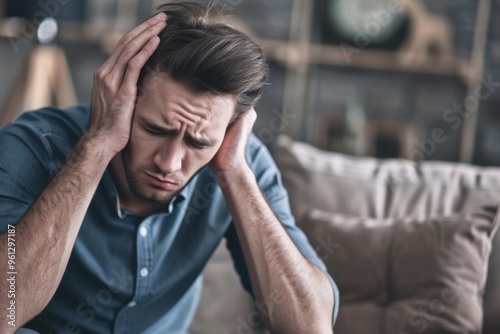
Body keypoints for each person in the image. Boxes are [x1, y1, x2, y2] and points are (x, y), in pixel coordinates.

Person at [0, 2, 339, 333]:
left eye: (199, 143)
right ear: (122, 96)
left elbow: (311, 326)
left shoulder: (240, 161)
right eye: (155, 129)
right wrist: (97, 145)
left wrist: (234, 174)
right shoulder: (31, 146)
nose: (169, 162)